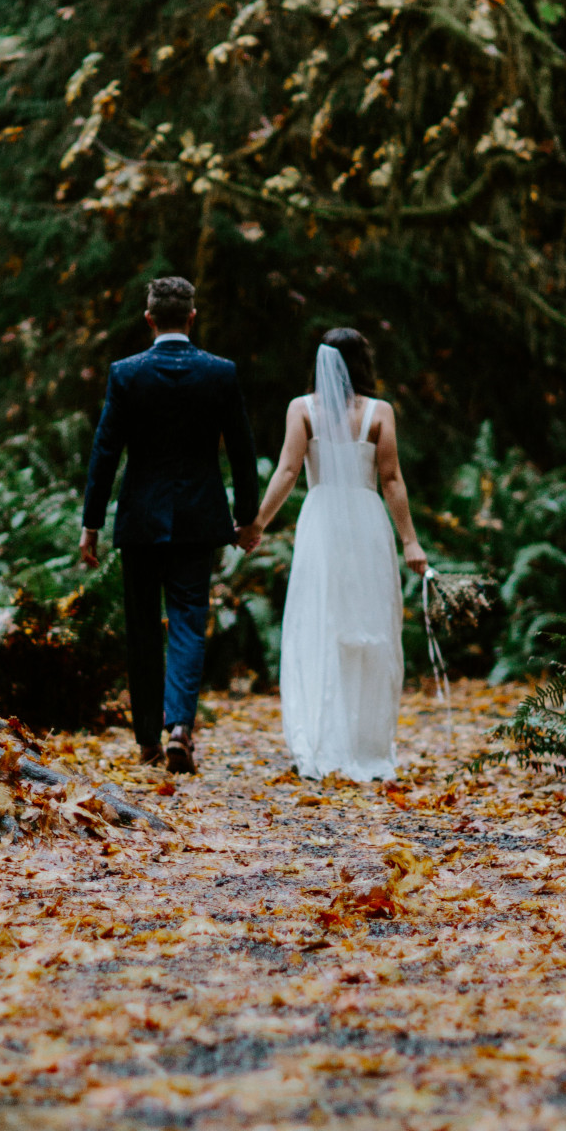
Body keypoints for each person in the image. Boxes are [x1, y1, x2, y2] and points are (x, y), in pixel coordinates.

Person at [79, 276, 257, 774]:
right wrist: (248, 519)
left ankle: (147, 743)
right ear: (192, 317)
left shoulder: (126, 373)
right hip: (199, 520)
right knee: (187, 622)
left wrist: (91, 523)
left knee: (141, 628)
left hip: (139, 520)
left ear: (150, 318)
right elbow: (242, 452)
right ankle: (180, 726)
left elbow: (105, 454)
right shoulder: (220, 373)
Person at [239, 328, 427, 782]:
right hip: (366, 522)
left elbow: (287, 470)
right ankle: (365, 746)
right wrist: (410, 542)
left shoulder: (301, 409)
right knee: (367, 628)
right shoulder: (379, 412)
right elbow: (392, 480)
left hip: (321, 522)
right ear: (363, 363)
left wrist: (257, 524)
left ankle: (324, 740)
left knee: (321, 624)